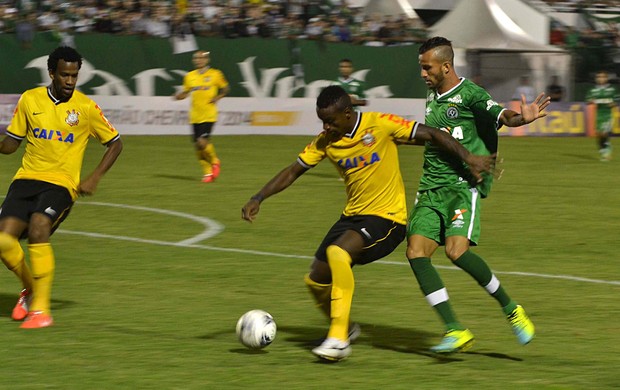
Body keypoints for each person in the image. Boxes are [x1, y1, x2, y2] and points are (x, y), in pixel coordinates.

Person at [241, 85, 494, 362]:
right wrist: (259, 197)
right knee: (315, 280)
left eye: (330, 121)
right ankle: (347, 330)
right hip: (352, 216)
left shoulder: (380, 124)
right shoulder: (326, 141)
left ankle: (337, 340)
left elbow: (432, 133)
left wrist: (469, 158)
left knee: (338, 253)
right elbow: (294, 170)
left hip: (388, 219)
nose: (325, 127)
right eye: (322, 121)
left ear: (347, 113)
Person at [407, 36, 550, 354]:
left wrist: (520, 119)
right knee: (416, 252)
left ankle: (511, 308)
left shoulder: (470, 94)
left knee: (455, 252)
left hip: (461, 188)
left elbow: (502, 116)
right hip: (431, 187)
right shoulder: (432, 95)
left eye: (426, 67)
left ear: (445, 66)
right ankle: (454, 328)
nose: (422, 73)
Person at [0, 46, 123, 329]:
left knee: (39, 228)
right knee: (3, 241)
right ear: (52, 73)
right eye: (65, 75)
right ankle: (30, 289)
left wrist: (94, 177)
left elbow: (115, 143)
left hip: (61, 184)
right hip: (25, 180)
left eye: (74, 76)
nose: (70, 81)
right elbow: (11, 144)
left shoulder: (85, 108)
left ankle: (41, 311)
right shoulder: (30, 100)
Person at [175, 50, 229, 183]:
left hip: (209, 114)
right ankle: (207, 173)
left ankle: (215, 161)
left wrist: (218, 97)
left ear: (207, 60)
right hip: (195, 115)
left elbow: (225, 88)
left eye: (201, 58)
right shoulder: (190, 76)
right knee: (198, 146)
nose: (198, 60)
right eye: (196, 58)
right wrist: (179, 96)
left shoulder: (215, 74)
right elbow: (186, 92)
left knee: (202, 142)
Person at [586, 70, 618, 161]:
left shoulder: (612, 89)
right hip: (598, 115)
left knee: (604, 133)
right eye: (599, 77)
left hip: (607, 115)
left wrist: (612, 104)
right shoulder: (593, 90)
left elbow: (615, 102)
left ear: (606, 78)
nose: (600, 79)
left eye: (602, 77)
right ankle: (604, 150)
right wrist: (591, 101)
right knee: (599, 134)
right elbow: (588, 100)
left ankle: (607, 149)